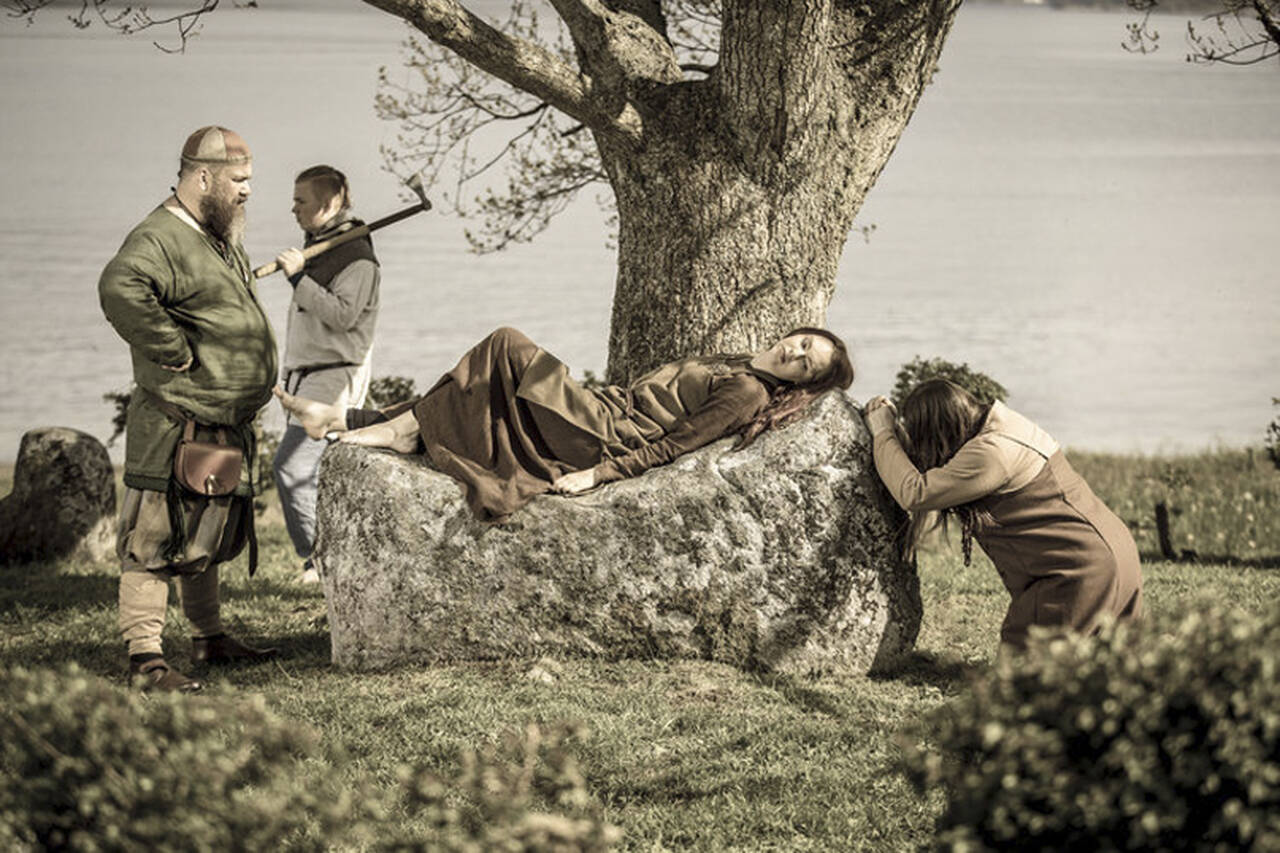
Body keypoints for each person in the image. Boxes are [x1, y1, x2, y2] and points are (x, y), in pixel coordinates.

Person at [275, 325, 855, 522]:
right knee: (491, 379)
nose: (796, 354)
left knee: (506, 346)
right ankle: (358, 418)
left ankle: (390, 428)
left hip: (601, 433)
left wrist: (601, 473)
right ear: (792, 332)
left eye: (807, 364)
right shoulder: (733, 362)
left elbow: (678, 446)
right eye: (803, 342)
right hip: (599, 409)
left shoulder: (747, 390)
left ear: (802, 382)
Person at [98, 125, 280, 693]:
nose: (249, 190)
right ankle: (145, 661)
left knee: (204, 537)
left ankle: (209, 638)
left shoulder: (214, 231)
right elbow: (119, 286)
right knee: (154, 541)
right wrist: (169, 347)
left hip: (218, 424)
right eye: (240, 180)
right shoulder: (158, 237)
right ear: (203, 177)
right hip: (177, 423)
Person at [863, 379, 1143, 650]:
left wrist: (883, 433)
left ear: (938, 429)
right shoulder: (1005, 424)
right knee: (1109, 672)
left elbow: (916, 493)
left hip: (1076, 569)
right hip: (1112, 551)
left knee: (1022, 681)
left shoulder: (990, 454)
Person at [271, 165, 380, 584]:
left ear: (330, 203)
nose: (293, 208)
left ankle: (320, 561)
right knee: (320, 473)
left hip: (334, 379)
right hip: (309, 375)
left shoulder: (357, 259)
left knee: (293, 466)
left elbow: (343, 316)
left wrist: (298, 277)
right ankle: (333, 558)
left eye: (301, 200)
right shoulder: (324, 246)